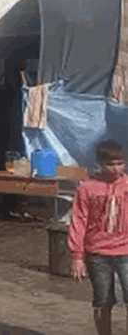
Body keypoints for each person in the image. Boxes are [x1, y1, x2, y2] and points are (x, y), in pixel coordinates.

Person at [70, 140, 128, 335]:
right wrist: (77, 257)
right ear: (101, 163)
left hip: (126, 252)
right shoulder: (88, 188)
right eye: (111, 164)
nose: (116, 168)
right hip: (98, 254)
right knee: (102, 301)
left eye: (120, 163)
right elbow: (79, 222)